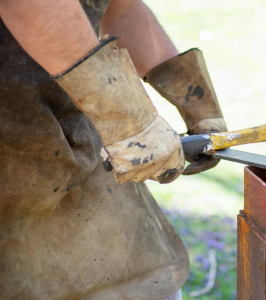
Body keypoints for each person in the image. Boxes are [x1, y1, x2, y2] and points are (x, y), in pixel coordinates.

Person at [0, 0, 227, 299]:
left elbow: (122, 9)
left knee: (147, 282)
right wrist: (130, 120)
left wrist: (195, 99)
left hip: (76, 138)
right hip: (9, 158)